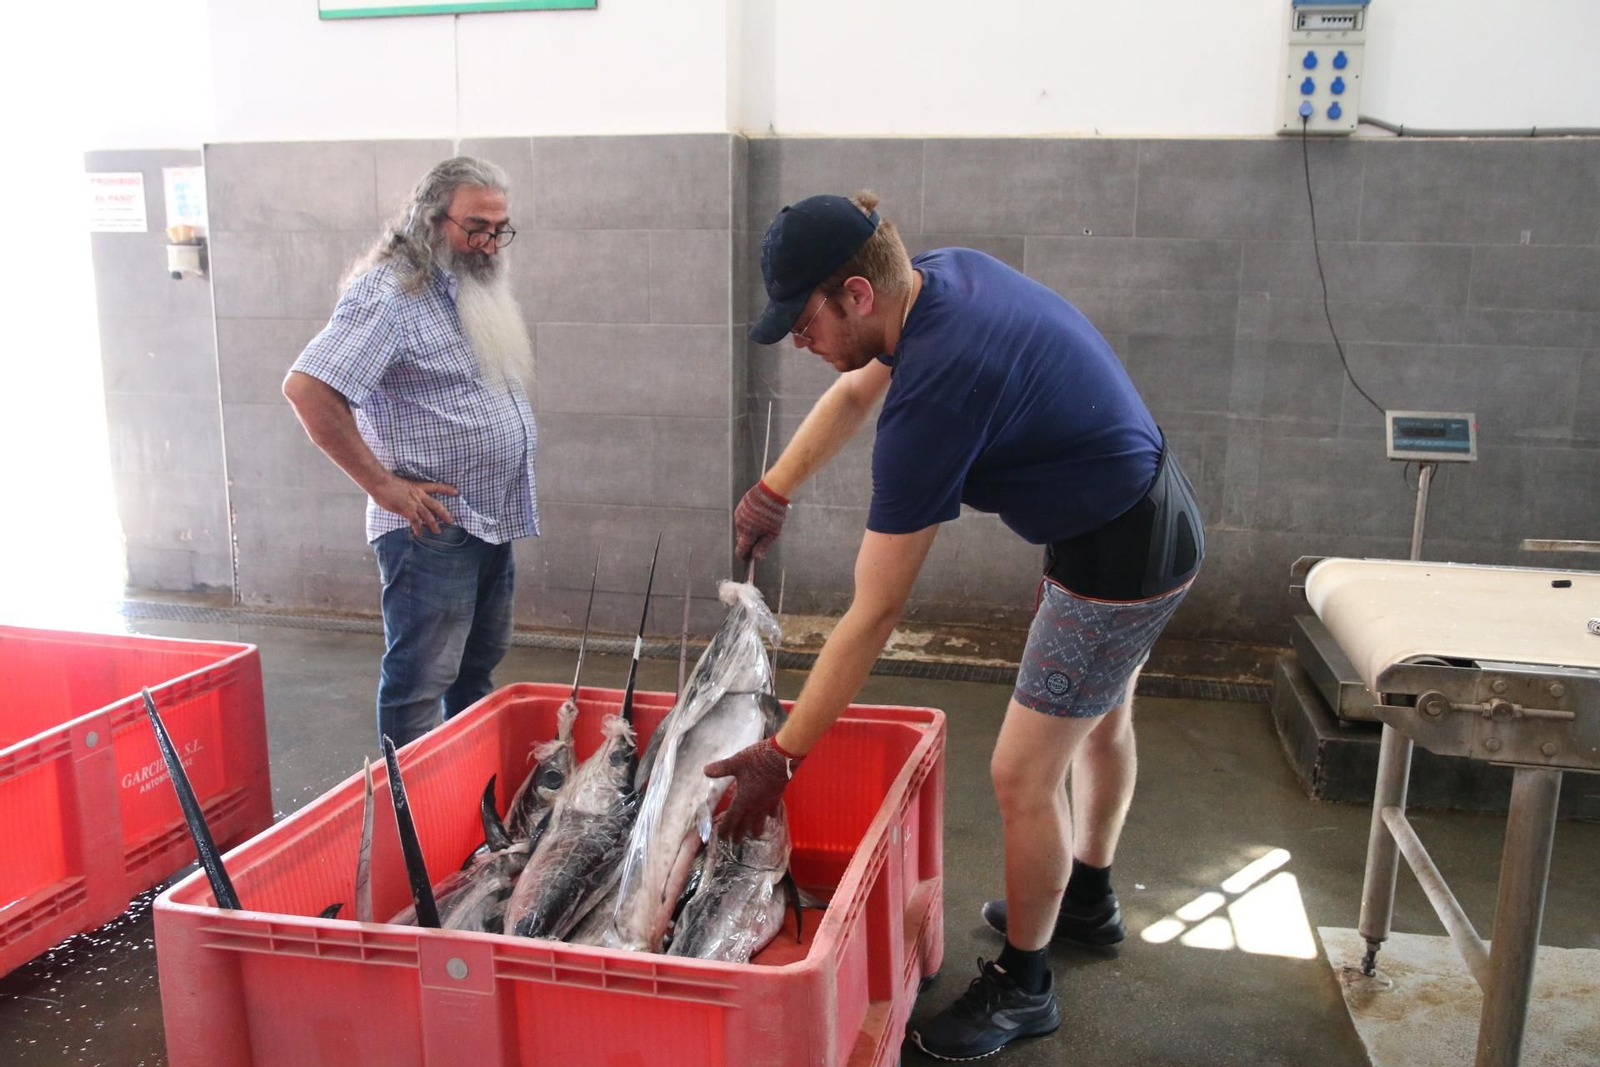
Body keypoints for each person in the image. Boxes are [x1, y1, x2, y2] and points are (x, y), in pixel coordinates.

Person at [704, 192, 1204, 1061]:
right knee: (1103, 720)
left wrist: (783, 753)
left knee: (1020, 773)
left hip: (1118, 557)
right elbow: (859, 389)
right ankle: (1085, 896)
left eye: (804, 317)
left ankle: (1024, 985)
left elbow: (875, 610)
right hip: (1138, 514)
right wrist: (774, 486)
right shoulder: (938, 280)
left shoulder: (936, 388)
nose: (797, 338)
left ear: (858, 293)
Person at [283, 157, 538, 750]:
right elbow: (309, 389)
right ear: (430, 219)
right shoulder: (391, 295)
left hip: (489, 517)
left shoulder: (471, 287)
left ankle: (466, 789)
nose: (490, 243)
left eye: (500, 229)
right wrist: (383, 486)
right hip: (430, 528)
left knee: (474, 672)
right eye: (476, 227)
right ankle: (414, 816)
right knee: (419, 686)